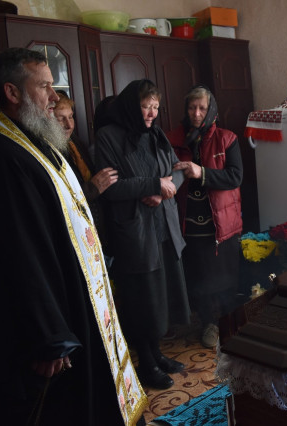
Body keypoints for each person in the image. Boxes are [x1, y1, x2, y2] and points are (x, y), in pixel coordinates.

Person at [0, 47, 147, 425]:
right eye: (44, 86)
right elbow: (20, 255)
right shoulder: (1, 159)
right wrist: (49, 336)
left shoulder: (38, 144)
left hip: (77, 303)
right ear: (12, 92)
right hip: (57, 321)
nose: (54, 96)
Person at [94, 79, 190, 390]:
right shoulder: (108, 137)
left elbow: (176, 170)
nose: (151, 113)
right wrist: (153, 185)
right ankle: (146, 363)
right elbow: (110, 188)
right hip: (135, 232)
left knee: (160, 298)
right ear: (129, 106)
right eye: (145, 106)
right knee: (142, 301)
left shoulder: (155, 133)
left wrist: (163, 189)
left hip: (163, 227)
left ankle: (157, 354)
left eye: (155, 107)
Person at [168, 85, 243, 349]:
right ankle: (208, 323)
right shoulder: (174, 139)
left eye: (202, 108)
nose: (197, 113)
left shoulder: (227, 138)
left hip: (221, 223)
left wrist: (202, 173)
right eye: (192, 107)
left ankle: (228, 322)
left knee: (226, 277)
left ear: (211, 110)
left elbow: (235, 176)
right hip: (188, 222)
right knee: (198, 278)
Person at [53, 92, 117, 254]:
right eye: (61, 119)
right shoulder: (48, 153)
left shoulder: (76, 144)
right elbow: (58, 200)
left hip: (97, 227)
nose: (69, 125)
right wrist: (92, 189)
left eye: (71, 117)